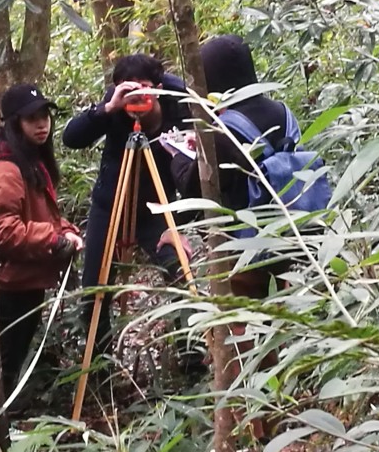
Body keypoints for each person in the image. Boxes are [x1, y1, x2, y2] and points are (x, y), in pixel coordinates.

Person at [62, 54, 198, 368]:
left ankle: (190, 359)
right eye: (129, 90)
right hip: (111, 206)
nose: (137, 97)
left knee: (181, 273)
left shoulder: (179, 104)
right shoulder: (115, 104)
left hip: (157, 208)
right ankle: (98, 369)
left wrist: (182, 223)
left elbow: (201, 173)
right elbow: (72, 137)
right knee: (95, 291)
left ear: (160, 88)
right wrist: (108, 108)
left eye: (145, 89)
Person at [170, 34, 300, 299]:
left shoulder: (223, 130)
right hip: (290, 233)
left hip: (245, 246)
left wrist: (177, 156)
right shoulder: (283, 112)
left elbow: (194, 189)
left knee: (243, 322)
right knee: (279, 313)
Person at [0, 83, 83, 396]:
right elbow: (3, 231)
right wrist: (54, 240)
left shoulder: (28, 161)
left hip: (27, 281)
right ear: (14, 123)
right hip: (10, 286)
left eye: (45, 116)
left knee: (10, 364)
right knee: (3, 368)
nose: (42, 124)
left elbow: (42, 217)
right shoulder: (5, 169)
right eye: (31, 119)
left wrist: (67, 231)